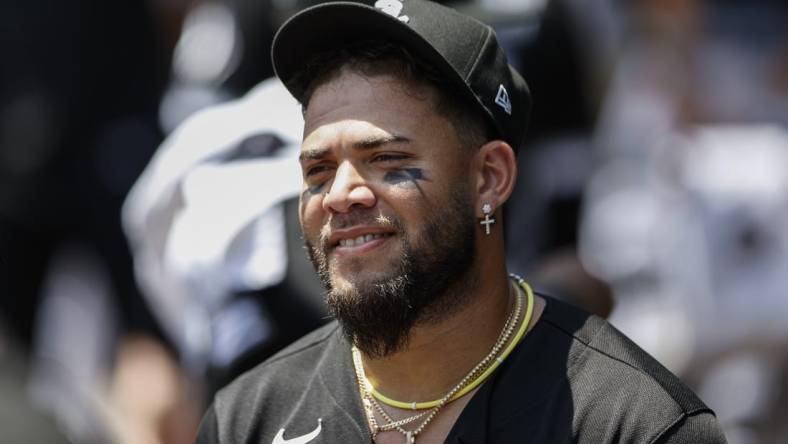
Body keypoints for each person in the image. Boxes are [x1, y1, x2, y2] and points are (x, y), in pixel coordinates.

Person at [195, 1, 726, 443]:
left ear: (489, 178)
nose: (341, 195)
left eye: (388, 161)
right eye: (318, 170)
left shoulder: (633, 424)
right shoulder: (249, 418)